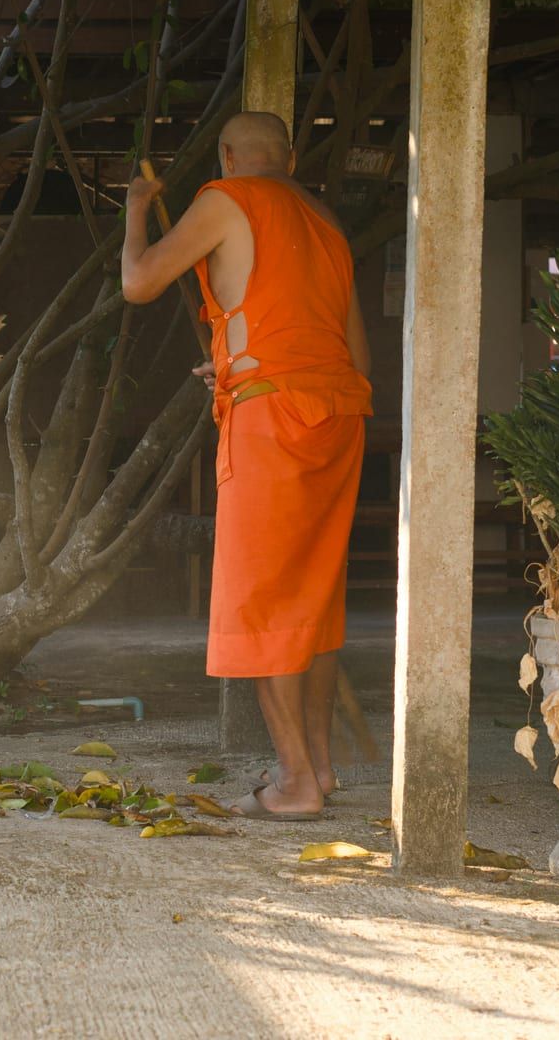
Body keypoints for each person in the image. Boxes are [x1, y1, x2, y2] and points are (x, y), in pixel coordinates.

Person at [120, 111, 372, 819]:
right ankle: (317, 769)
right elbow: (354, 357)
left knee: (261, 603)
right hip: (339, 417)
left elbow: (138, 282)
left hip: (274, 422)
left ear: (229, 156)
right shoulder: (325, 223)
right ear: (290, 156)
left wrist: (137, 212)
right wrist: (239, 367)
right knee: (313, 604)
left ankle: (293, 784)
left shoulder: (225, 199)